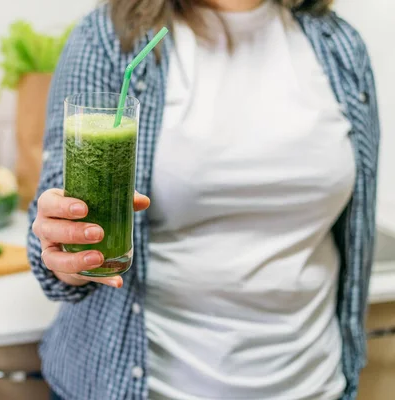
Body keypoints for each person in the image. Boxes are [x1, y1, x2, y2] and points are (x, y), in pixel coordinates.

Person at [28, 0, 380, 399]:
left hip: (314, 383)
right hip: (141, 386)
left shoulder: (338, 44)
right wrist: (68, 251)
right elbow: (58, 197)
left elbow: (355, 226)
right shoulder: (110, 36)